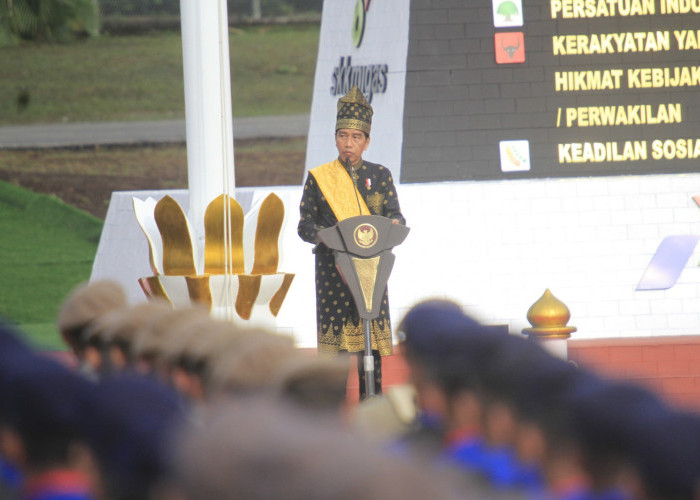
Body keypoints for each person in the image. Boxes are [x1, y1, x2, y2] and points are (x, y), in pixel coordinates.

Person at [298, 85, 405, 399]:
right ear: (335, 138)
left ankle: (372, 409)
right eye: (343, 136)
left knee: (369, 355)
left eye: (355, 137)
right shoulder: (319, 178)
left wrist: (395, 225)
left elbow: (396, 216)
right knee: (336, 359)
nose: (348, 143)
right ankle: (332, 416)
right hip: (333, 274)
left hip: (372, 272)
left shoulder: (381, 175)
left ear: (367, 142)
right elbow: (304, 225)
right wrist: (325, 236)